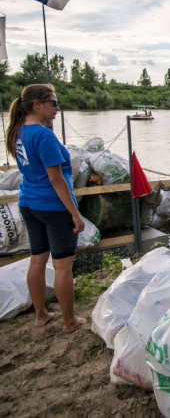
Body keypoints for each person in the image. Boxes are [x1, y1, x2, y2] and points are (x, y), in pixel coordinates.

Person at [5, 84, 86, 333]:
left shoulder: (18, 130)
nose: (56, 107)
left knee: (37, 260)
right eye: (53, 102)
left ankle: (41, 315)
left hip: (28, 202)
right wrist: (74, 212)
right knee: (63, 266)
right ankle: (69, 321)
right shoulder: (43, 135)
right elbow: (56, 179)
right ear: (37, 105)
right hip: (52, 205)